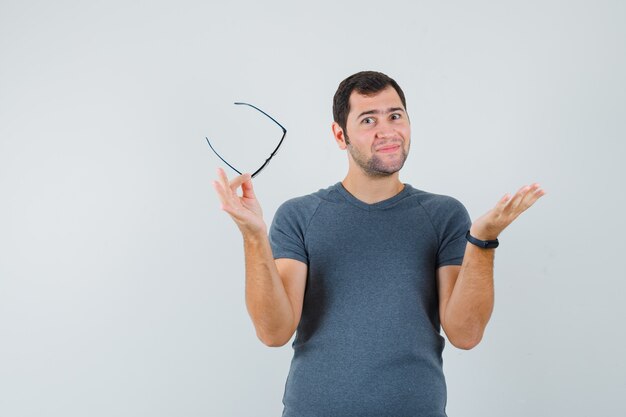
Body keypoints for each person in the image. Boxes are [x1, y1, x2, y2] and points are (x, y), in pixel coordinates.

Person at [212, 71, 545, 416]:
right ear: (340, 135)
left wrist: (484, 240)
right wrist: (253, 235)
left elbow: (466, 333)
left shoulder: (444, 215)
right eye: (368, 119)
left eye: (395, 116)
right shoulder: (300, 215)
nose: (386, 131)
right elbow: (273, 331)